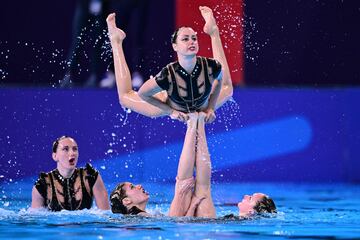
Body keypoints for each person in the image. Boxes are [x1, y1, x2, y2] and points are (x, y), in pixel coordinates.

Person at [106, 6, 233, 123]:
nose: (191, 42)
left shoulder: (210, 66)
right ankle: (116, 40)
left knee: (227, 88)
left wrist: (210, 107)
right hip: (171, 104)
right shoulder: (168, 74)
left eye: (194, 38)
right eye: (185, 39)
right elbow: (143, 93)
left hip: (202, 104)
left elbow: (220, 79)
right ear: (175, 46)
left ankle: (213, 31)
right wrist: (170, 111)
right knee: (125, 97)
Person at [109, 112, 215, 217]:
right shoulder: (140, 217)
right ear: (127, 201)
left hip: (184, 225)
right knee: (194, 187)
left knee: (202, 187)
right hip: (180, 224)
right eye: (132, 187)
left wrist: (191, 205)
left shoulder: (138, 217)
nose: (139, 185)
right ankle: (196, 123)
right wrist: (191, 205)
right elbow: (177, 224)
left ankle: (197, 122)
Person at [31, 136, 110, 211]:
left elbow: (106, 214)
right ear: (55, 156)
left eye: (75, 149)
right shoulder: (42, 185)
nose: (72, 153)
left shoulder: (91, 177)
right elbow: (35, 220)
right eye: (65, 149)